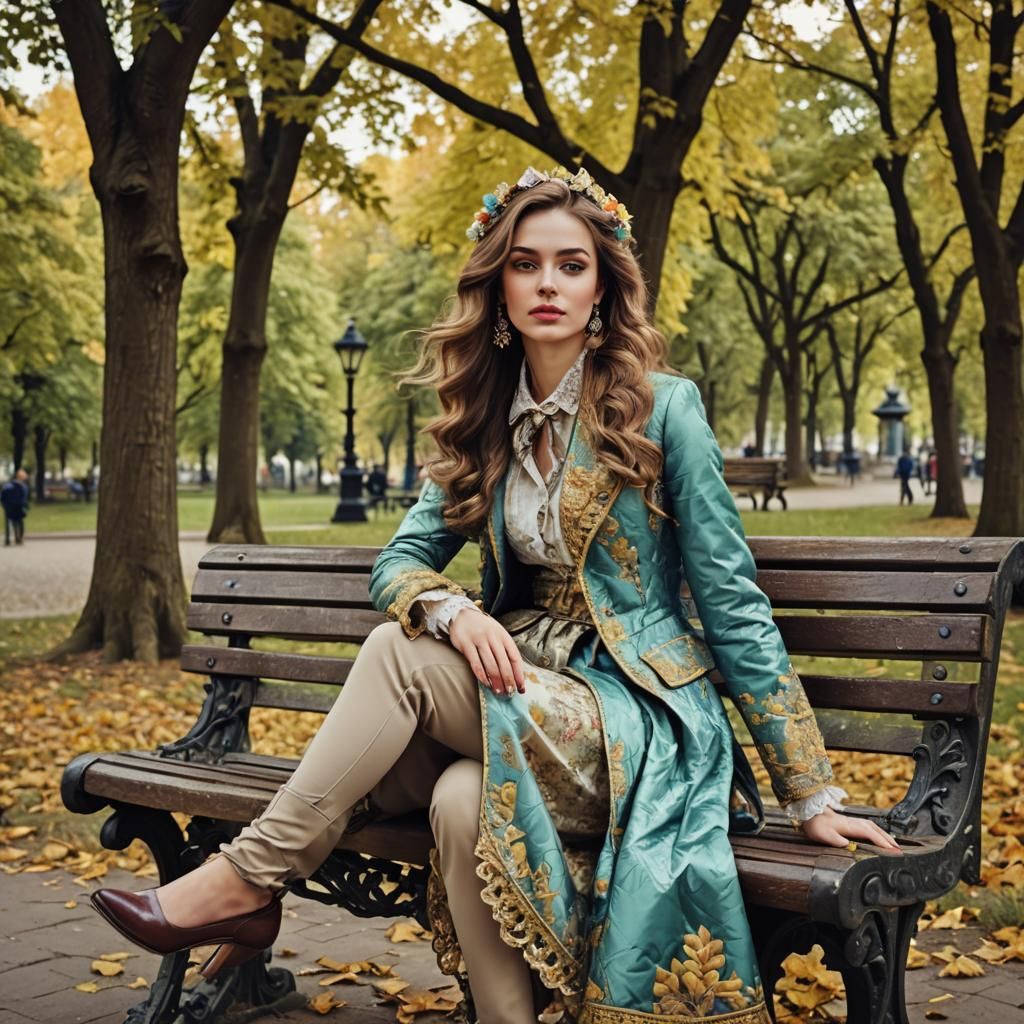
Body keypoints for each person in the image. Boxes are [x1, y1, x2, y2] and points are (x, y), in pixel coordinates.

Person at [87, 165, 901, 1024]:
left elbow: (732, 603)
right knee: (456, 797)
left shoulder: (664, 408)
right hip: (520, 693)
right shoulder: (483, 417)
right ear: (498, 284)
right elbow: (399, 560)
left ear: (604, 286)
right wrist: (456, 608)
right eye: (525, 263)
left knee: (396, 655)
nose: (548, 283)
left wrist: (810, 795)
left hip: (633, 717)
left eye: (571, 264)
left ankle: (249, 880)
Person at [1, 469, 30, 546]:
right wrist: (25, 506)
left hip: (8, 506)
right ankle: (18, 538)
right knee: (19, 522)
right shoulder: (23, 486)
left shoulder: (7, 486)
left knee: (8, 523)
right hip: (18, 507)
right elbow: (24, 497)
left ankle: (8, 539)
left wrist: (4, 505)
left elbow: (3, 496)